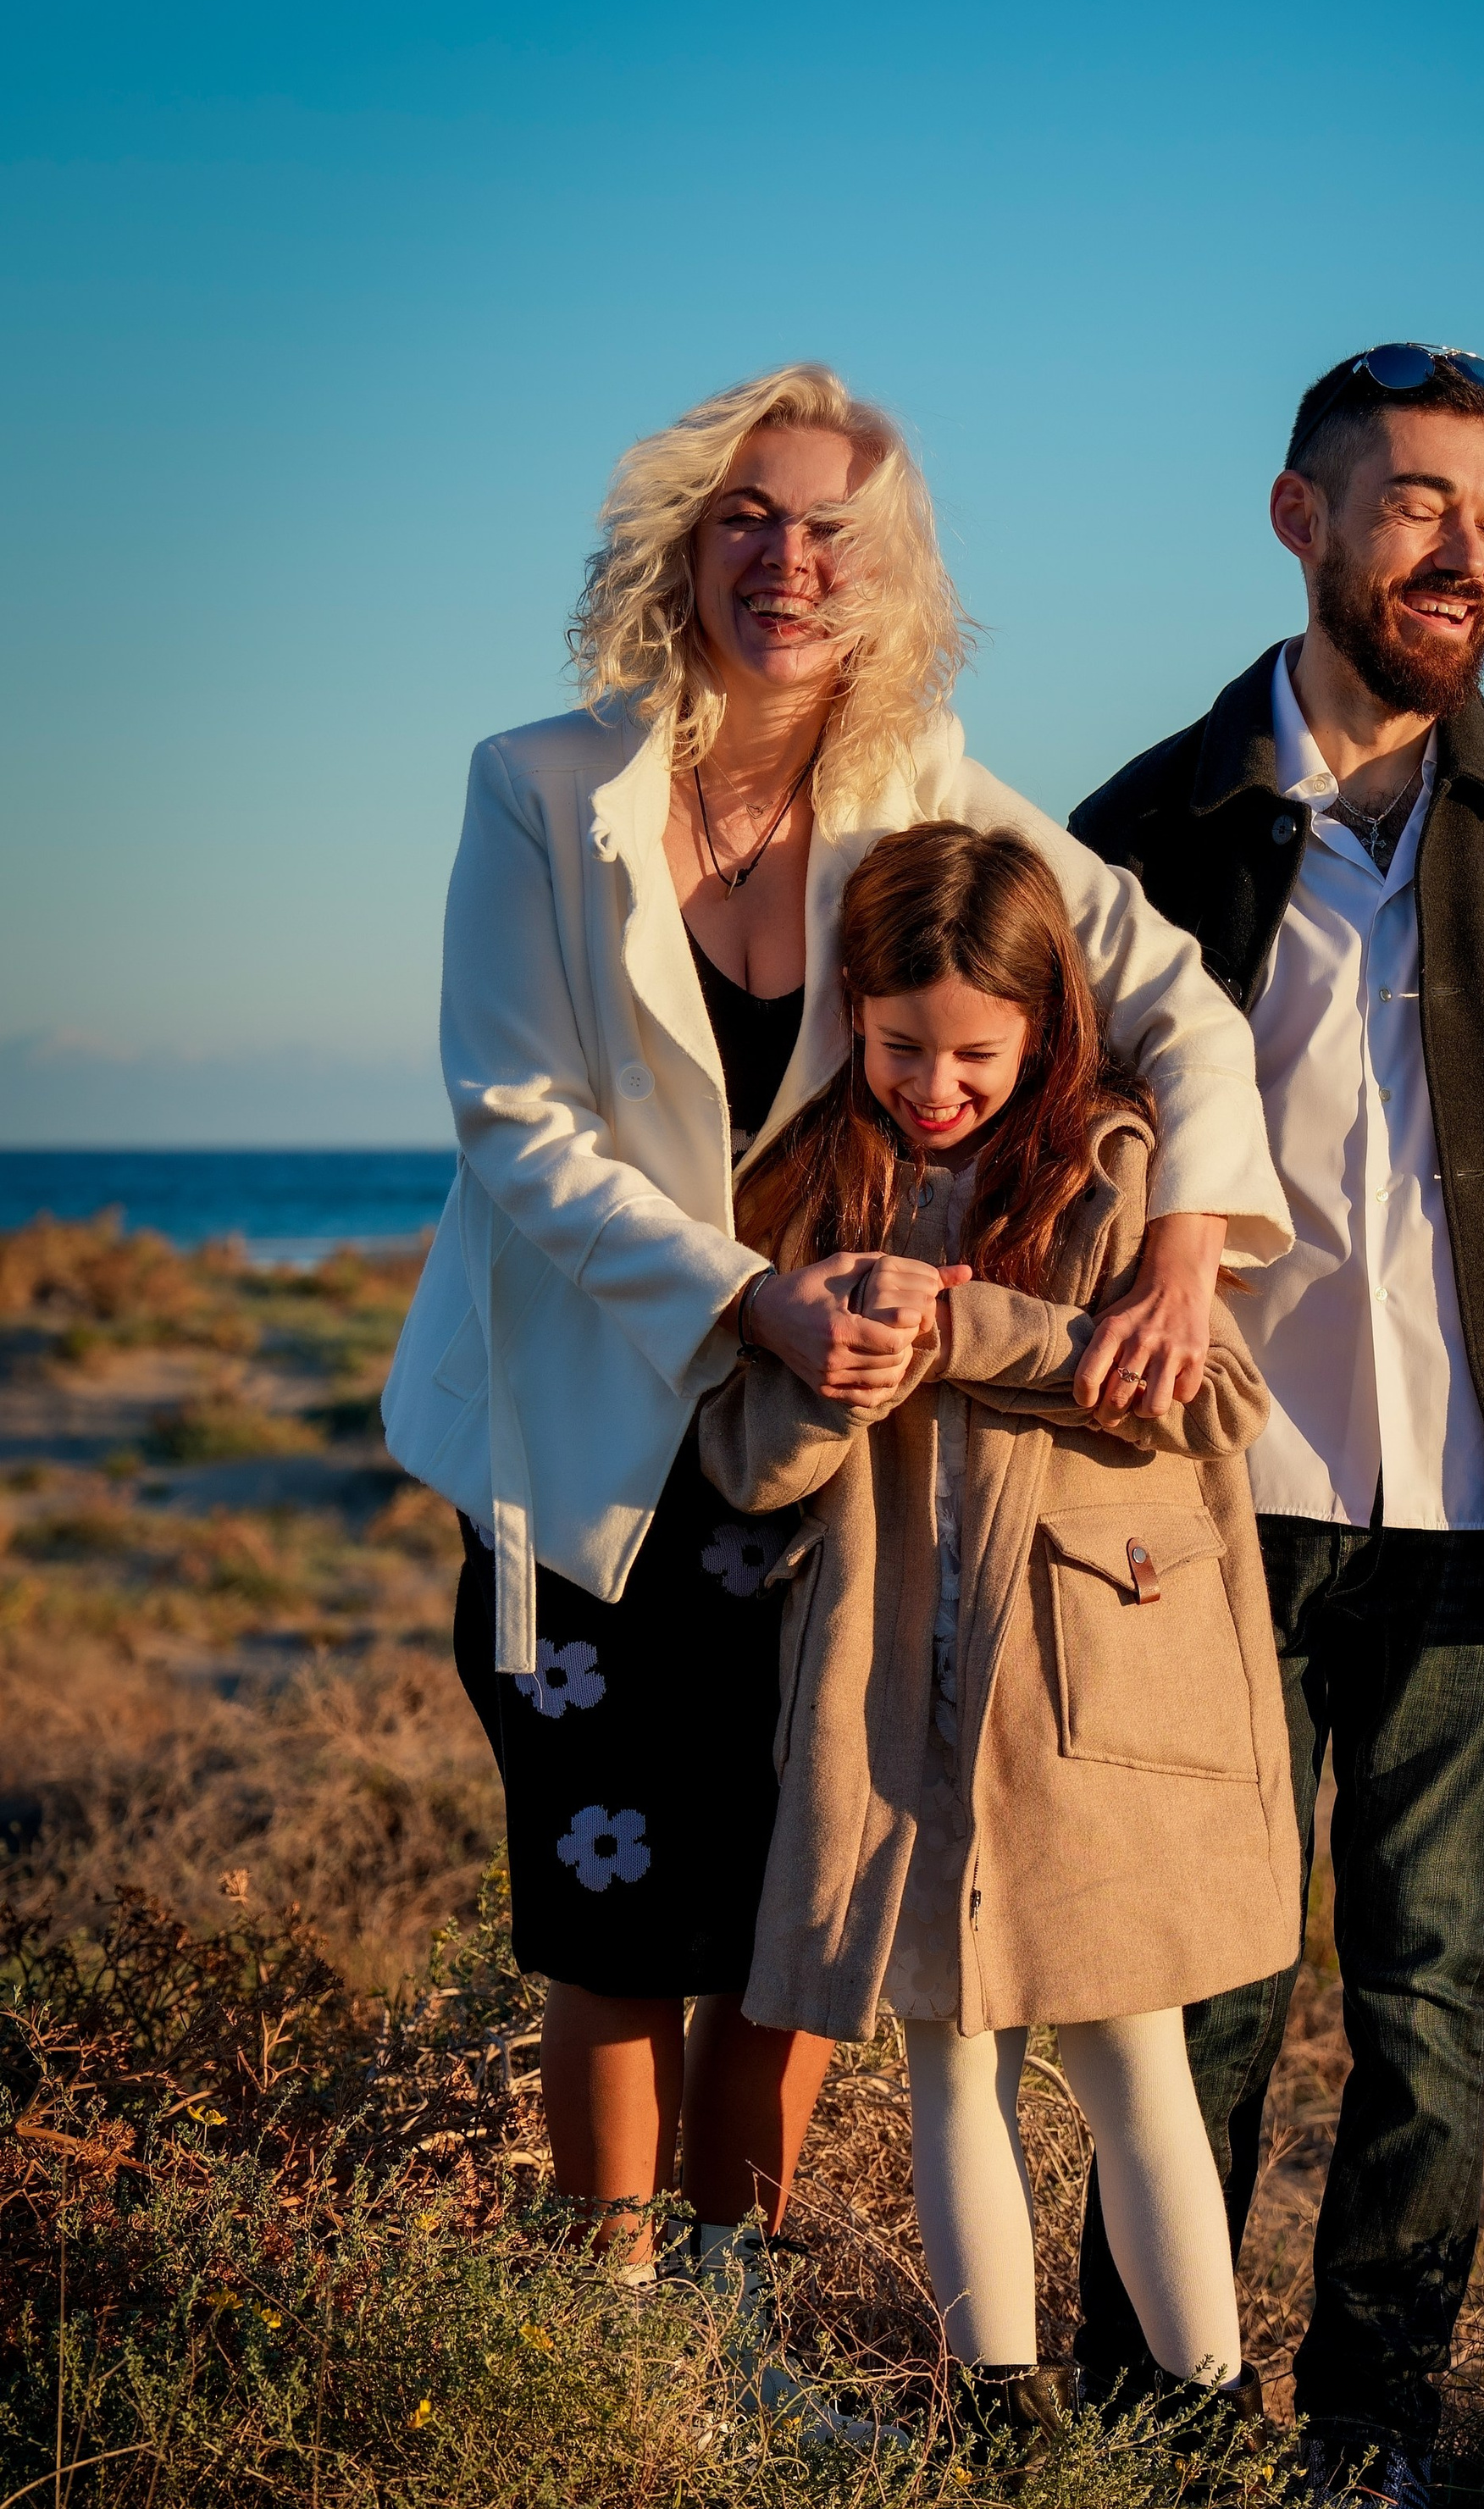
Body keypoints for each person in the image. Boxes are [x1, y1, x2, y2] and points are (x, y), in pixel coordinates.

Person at [380, 364, 1290, 2308]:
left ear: (885, 579)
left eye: (829, 534)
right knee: (610, 1907)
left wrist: (1186, 1248)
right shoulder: (539, 787)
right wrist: (746, 1292)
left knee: (786, 1907)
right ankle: (612, 2334)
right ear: (679, 547)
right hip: (577, 1447)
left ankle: (730, 2326)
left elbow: (1176, 1005)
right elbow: (509, 1119)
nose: (785, 564)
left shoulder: (919, 784)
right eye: (746, 519)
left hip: (801, 1459)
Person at [1066, 344, 1484, 2509]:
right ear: (1300, 520)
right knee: (1196, 1992)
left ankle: (1371, 2444)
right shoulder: (1142, 827)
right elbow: (1046, 1151)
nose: (1466, 548)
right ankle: (1147, 2441)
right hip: (1205, 1513)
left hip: (1480, 1511)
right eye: (1419, 502)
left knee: (1427, 2001)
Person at [699, 819, 1302, 2449]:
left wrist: (973, 1327)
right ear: (852, 1015)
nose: (937, 1084)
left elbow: (1218, 1395)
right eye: (901, 1047)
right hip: (893, 1708)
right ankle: (1004, 2429)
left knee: (1131, 2064)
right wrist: (835, 1380)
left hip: (1084, 1703)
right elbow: (746, 1461)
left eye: (976, 1051)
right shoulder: (814, 1180)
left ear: (1047, 1028)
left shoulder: (1113, 1167)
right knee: (949, 2061)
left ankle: (1208, 2441)